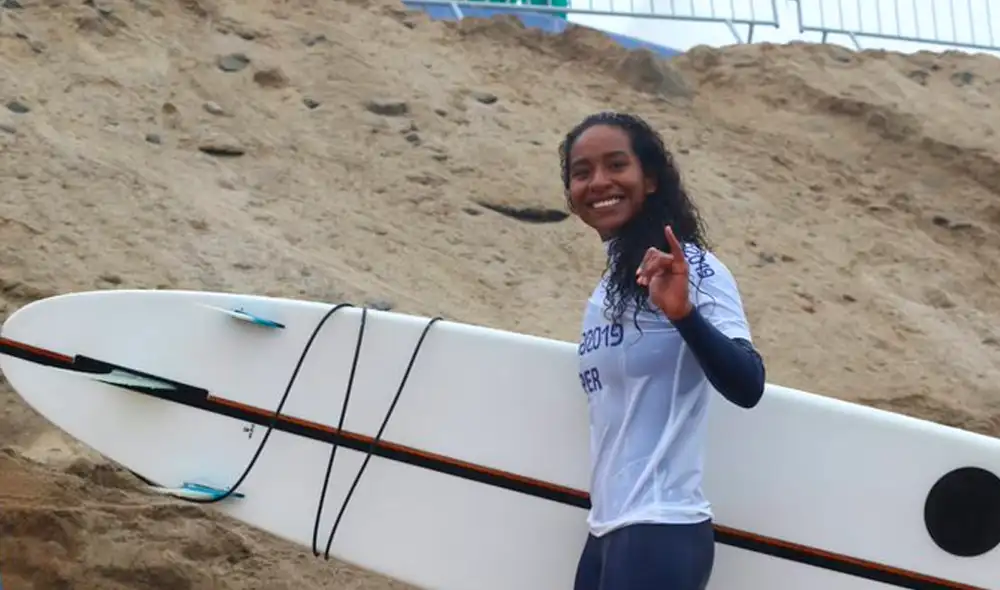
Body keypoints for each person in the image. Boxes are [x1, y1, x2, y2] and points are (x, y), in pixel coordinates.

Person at [560, 111, 767, 590]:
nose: (599, 182)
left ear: (649, 179)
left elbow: (748, 384)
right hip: (607, 530)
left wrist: (684, 314)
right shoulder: (604, 294)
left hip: (661, 527)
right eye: (582, 172)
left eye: (616, 165)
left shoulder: (690, 266)